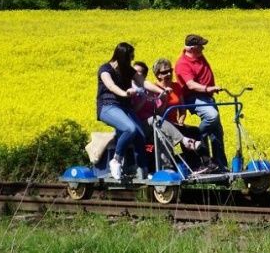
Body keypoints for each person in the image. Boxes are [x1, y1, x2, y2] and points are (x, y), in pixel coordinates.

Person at [95, 42, 163, 180]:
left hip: (124, 108)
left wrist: (161, 90)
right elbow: (111, 86)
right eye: (130, 57)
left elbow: (143, 82)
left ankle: (142, 170)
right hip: (108, 106)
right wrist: (125, 93)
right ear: (121, 57)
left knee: (140, 135)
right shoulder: (105, 69)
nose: (132, 60)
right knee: (130, 129)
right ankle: (116, 160)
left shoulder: (127, 69)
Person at [174, 34, 227, 171]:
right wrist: (208, 88)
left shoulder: (198, 55)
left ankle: (220, 165)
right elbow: (190, 85)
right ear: (192, 48)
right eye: (200, 46)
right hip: (194, 97)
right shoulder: (182, 64)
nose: (203, 48)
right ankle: (197, 136)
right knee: (212, 116)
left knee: (217, 133)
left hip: (207, 97)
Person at [130, 61, 200, 157]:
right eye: (133, 71)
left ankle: (200, 163)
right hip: (140, 124)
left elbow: (161, 111)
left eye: (138, 73)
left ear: (144, 76)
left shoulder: (150, 89)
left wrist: (165, 98)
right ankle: (185, 141)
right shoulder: (129, 90)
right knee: (157, 121)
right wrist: (143, 98)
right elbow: (134, 111)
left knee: (194, 130)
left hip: (158, 124)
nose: (169, 74)